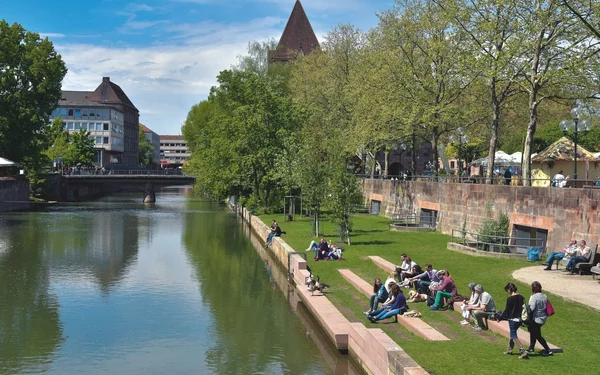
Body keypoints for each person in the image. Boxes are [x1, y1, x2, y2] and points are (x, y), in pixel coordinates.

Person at [498, 283, 528, 359]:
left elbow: (507, 310)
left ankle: (523, 351)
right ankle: (509, 349)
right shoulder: (521, 297)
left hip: (512, 319)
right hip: (520, 319)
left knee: (514, 335)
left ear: (509, 289)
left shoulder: (510, 299)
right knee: (512, 333)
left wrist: (500, 318)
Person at [527, 281, 553, 356]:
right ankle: (531, 347)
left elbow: (531, 308)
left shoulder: (534, 297)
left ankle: (548, 350)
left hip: (536, 319)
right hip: (543, 318)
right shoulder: (544, 296)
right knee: (533, 331)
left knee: (537, 335)